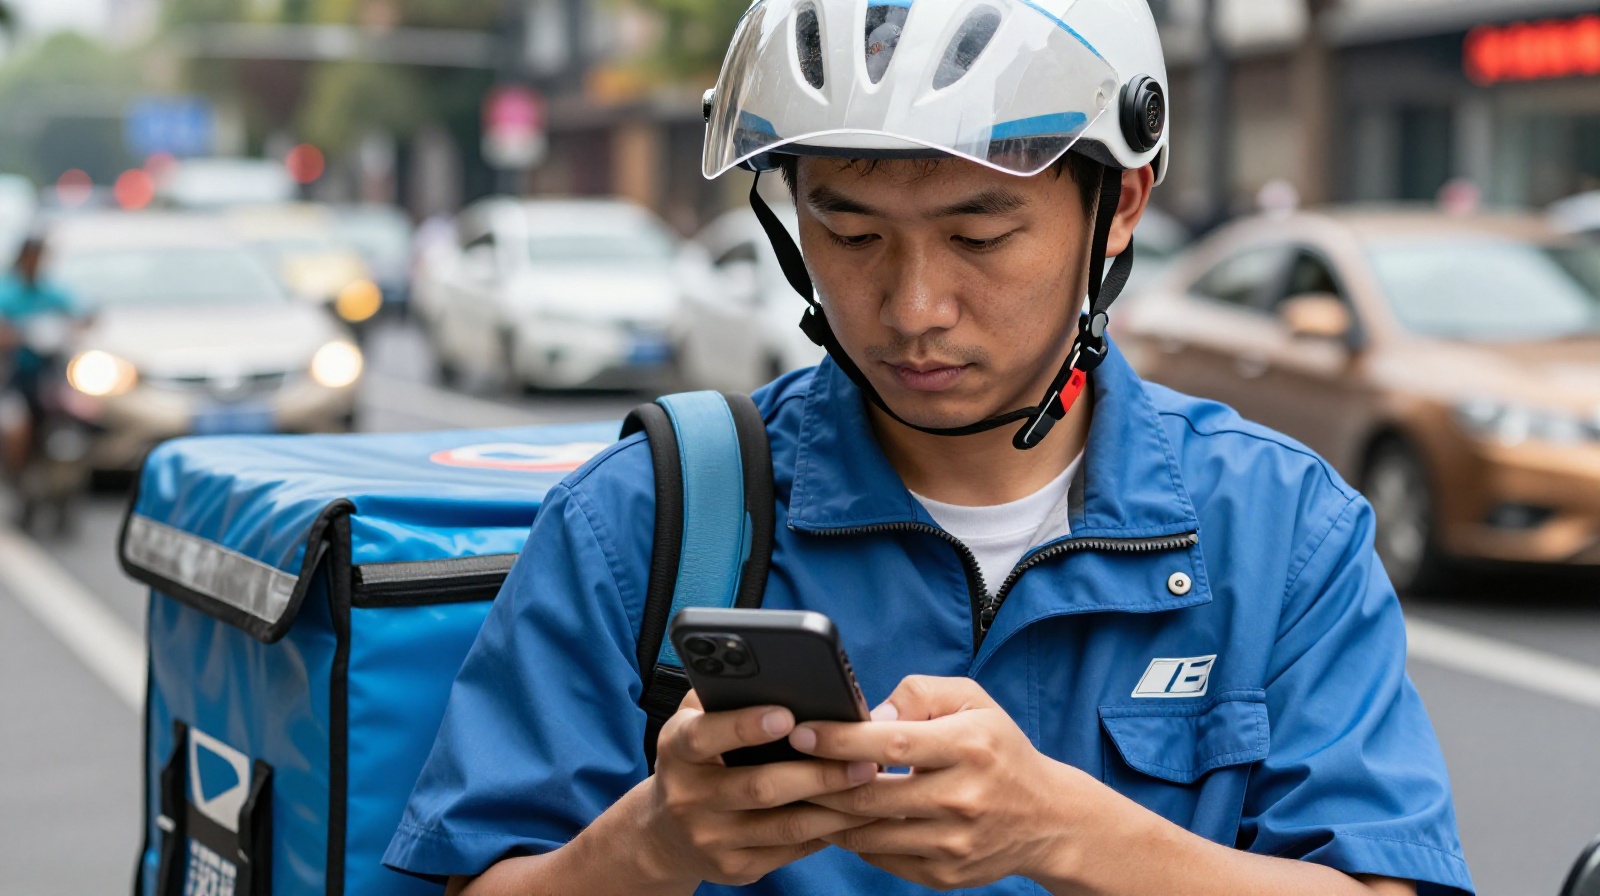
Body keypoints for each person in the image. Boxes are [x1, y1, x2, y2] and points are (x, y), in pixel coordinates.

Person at [385, 2, 1474, 894]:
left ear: (1121, 204)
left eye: (978, 235)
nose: (913, 309)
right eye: (850, 233)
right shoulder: (645, 518)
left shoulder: (1281, 528)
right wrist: (652, 842)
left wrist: (1066, 832)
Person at [0, 234, 77, 475]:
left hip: (51, 375)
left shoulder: (52, 292)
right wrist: (19, 335)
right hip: (13, 377)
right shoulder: (7, 292)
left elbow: (79, 314)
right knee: (15, 426)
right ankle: (15, 475)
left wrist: (72, 325)